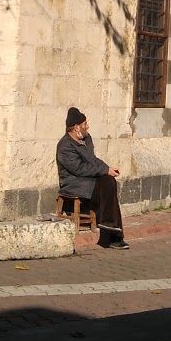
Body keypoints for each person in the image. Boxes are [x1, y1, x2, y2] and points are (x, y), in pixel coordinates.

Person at [56, 107, 128, 249]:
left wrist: (108, 169)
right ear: (77, 127)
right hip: (73, 181)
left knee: (109, 181)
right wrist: (104, 170)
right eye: (84, 124)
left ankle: (111, 232)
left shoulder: (86, 139)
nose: (87, 127)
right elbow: (79, 169)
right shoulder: (65, 146)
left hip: (88, 179)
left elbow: (92, 160)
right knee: (105, 185)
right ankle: (111, 235)